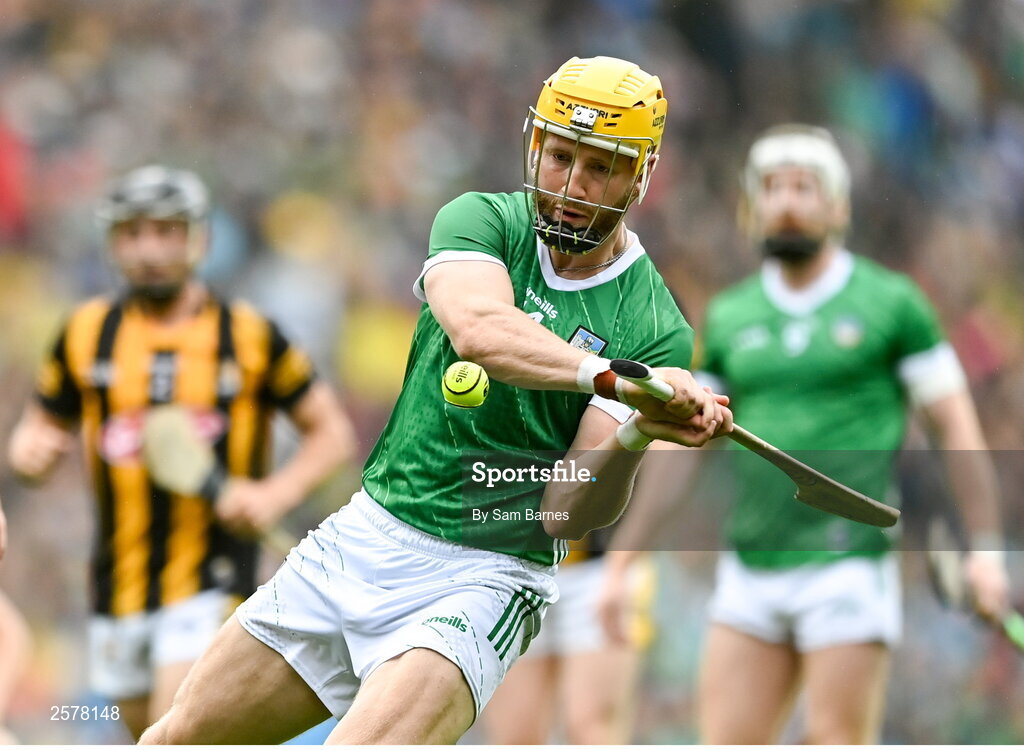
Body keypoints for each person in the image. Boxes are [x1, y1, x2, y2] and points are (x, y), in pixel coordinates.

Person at [138, 55, 732, 745]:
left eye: (600, 166)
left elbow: (565, 512)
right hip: (368, 534)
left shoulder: (656, 326)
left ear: (643, 173)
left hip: (486, 576)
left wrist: (636, 431)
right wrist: (613, 381)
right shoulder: (481, 221)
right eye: (559, 156)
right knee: (172, 740)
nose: (571, 185)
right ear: (534, 144)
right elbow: (481, 331)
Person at [605, 123, 1010, 744]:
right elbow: (681, 449)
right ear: (752, 207)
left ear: (838, 206)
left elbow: (955, 423)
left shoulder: (892, 304)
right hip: (751, 566)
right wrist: (625, 559)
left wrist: (984, 550)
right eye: (772, 187)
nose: (788, 201)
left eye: (805, 187)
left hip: (847, 565)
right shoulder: (731, 315)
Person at [7, 165, 355, 740]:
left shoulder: (248, 335)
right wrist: (30, 453)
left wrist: (274, 493)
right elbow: (39, 427)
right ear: (113, 242)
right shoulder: (85, 333)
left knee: (175, 732)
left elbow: (332, 434)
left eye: (166, 231)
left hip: (212, 579)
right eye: (133, 232)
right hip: (117, 584)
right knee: (144, 732)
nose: (149, 249)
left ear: (200, 238)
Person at [482, 538, 652, 744]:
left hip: (600, 565)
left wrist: (621, 564)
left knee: (590, 727)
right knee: (515, 734)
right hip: (510, 563)